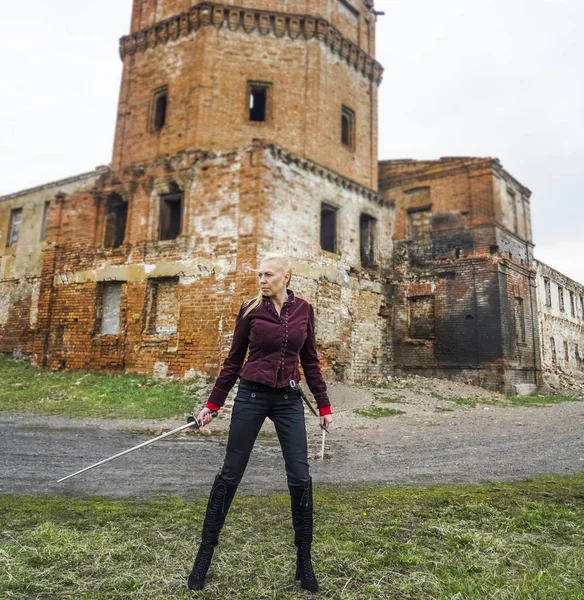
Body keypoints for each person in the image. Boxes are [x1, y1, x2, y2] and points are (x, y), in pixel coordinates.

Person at [187, 252, 333, 593]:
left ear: (285, 277)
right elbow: (234, 359)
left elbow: (310, 360)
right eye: (259, 274)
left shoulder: (304, 311)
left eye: (268, 274)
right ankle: (204, 557)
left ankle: (304, 561)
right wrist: (213, 404)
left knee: (300, 475)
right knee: (231, 472)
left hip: (288, 400)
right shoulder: (250, 310)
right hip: (251, 396)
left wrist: (324, 406)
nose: (261, 280)